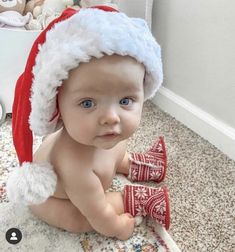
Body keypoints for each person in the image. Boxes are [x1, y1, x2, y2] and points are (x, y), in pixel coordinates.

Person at [7, 6, 170, 240]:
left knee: (114, 152)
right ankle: (132, 198)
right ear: (57, 106)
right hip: (52, 197)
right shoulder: (76, 168)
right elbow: (99, 214)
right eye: (87, 103)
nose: (111, 117)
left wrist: (115, 225)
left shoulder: (106, 134)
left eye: (126, 100)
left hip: (96, 160)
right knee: (76, 217)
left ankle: (133, 164)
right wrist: (117, 227)